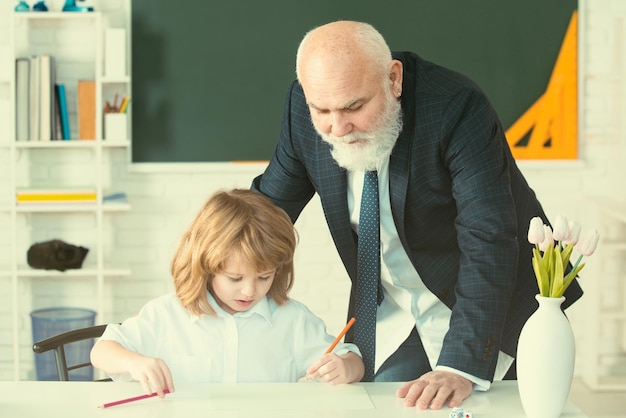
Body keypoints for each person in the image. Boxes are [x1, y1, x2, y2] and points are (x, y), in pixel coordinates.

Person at [251, 20, 583, 410]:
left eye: (354, 107)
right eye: (321, 109)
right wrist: (206, 272)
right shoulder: (303, 109)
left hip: (487, 307)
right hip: (393, 315)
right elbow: (264, 214)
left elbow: (488, 235)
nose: (337, 128)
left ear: (393, 79)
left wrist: (460, 367)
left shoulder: (456, 106)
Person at [90, 189, 364, 396]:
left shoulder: (292, 320)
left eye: (264, 277)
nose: (249, 290)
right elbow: (101, 351)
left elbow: (352, 360)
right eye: (235, 278)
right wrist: (135, 363)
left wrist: (346, 368)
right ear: (206, 266)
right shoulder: (168, 314)